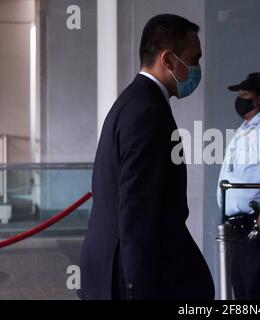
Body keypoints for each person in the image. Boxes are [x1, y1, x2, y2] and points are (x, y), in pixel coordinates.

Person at [79, 14, 215, 300]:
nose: (196, 68)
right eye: (194, 59)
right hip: (128, 276)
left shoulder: (132, 101)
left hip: (110, 268)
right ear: (168, 60)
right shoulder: (148, 112)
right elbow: (137, 211)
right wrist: (137, 288)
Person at [217, 73, 260, 300]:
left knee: (256, 290)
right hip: (236, 226)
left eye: (245, 94)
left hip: (253, 223)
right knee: (241, 291)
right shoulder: (245, 128)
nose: (240, 99)